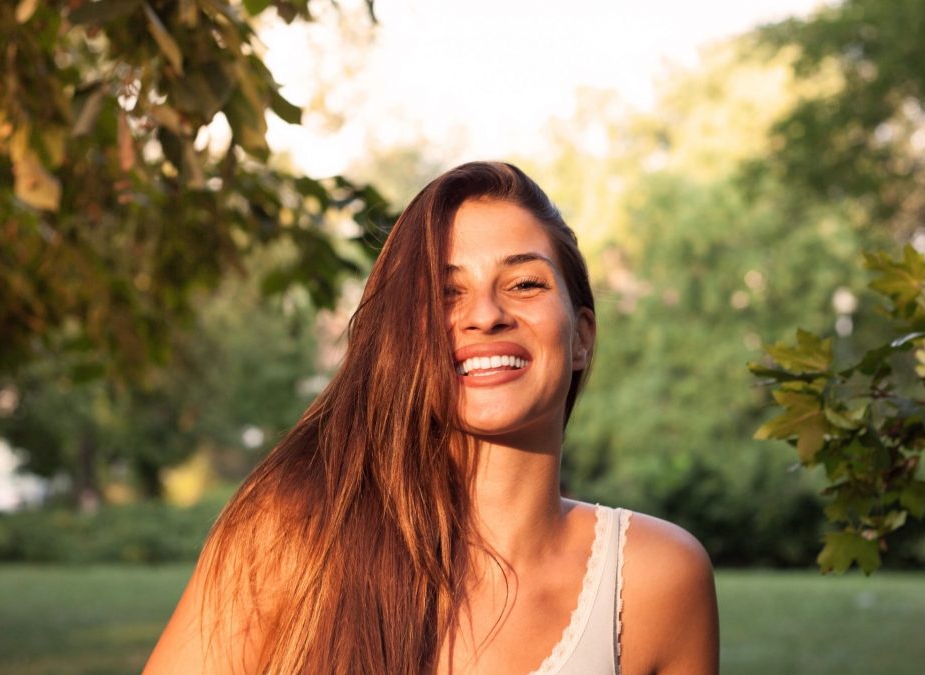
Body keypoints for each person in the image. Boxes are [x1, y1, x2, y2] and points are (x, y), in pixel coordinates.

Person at [144, 161, 719, 674]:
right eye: (446, 293)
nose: (486, 314)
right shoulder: (290, 540)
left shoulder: (654, 580)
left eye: (524, 283)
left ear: (582, 339)